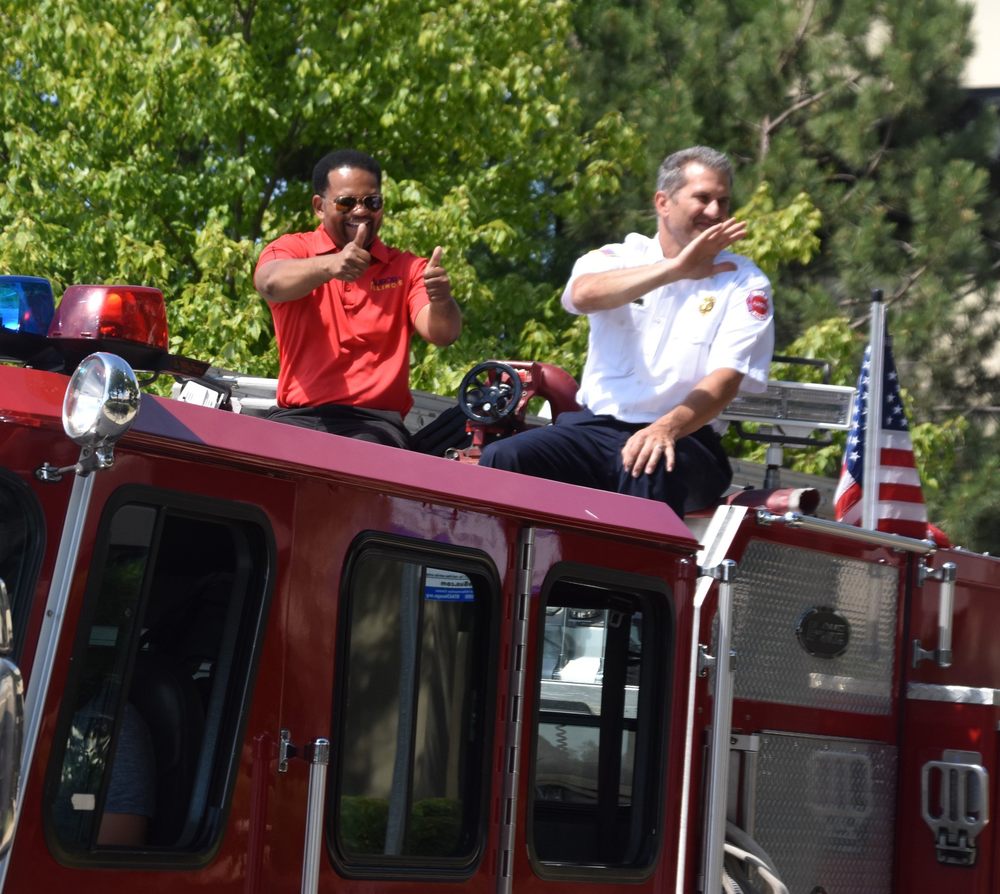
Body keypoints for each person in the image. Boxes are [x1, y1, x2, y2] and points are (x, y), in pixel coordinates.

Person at [479, 146, 774, 517]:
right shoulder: (619, 257)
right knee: (503, 457)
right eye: (703, 198)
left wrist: (665, 429)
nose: (715, 212)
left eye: (723, 201)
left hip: (685, 437)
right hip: (595, 428)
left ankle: (630, 560)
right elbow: (581, 295)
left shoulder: (745, 282)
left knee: (647, 463)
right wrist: (674, 270)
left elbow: (725, 381)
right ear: (663, 202)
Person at [254, 149, 462, 448]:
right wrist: (331, 265)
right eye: (347, 202)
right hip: (297, 418)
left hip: (374, 425)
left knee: (360, 452)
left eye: (372, 202)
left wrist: (441, 299)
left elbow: (443, 333)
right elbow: (270, 283)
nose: (361, 211)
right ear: (319, 207)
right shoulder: (292, 249)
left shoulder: (407, 268)